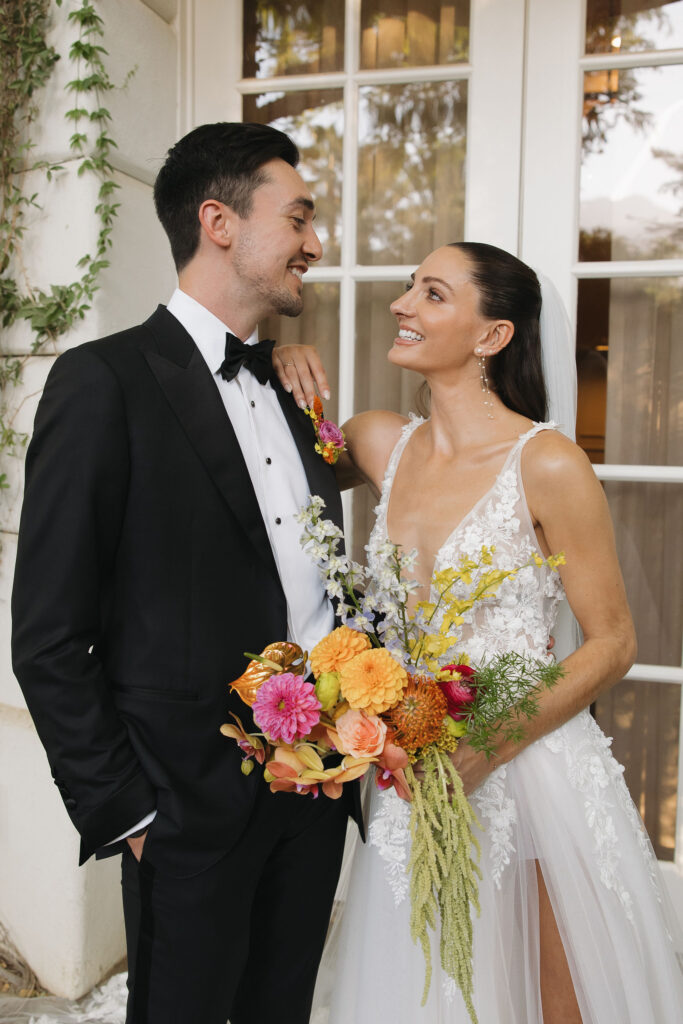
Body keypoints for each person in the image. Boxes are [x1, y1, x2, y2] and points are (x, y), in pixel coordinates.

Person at [11, 122, 361, 1024]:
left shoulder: (292, 383)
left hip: (316, 793)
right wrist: (130, 812)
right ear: (219, 221)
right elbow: (49, 635)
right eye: (298, 219)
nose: (314, 245)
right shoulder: (103, 382)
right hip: (185, 810)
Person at [278, 243, 683, 1023]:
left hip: (530, 767)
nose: (401, 305)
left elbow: (612, 641)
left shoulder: (549, 463)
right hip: (414, 769)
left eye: (431, 294)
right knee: (432, 985)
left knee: (556, 997)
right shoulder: (376, 441)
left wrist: (487, 746)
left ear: (490, 335)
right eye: (407, 288)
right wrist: (279, 359)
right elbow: (262, 465)